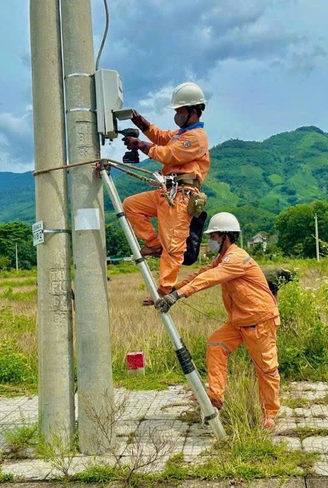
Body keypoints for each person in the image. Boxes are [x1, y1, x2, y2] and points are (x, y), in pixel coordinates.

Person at [154, 212, 281, 429]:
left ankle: (269, 414)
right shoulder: (222, 259)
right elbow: (200, 274)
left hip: (259, 320)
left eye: (213, 236)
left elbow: (209, 279)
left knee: (266, 369)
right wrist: (169, 291)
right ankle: (215, 395)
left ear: (225, 236)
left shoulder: (236, 259)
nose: (210, 240)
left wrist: (178, 296)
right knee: (216, 344)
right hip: (239, 321)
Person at [122, 82, 210, 306]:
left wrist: (141, 145)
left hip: (181, 196)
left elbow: (168, 154)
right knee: (131, 205)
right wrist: (140, 122)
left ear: (193, 110)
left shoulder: (196, 137)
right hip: (167, 191)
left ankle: (164, 290)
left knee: (174, 245)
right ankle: (153, 243)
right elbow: (161, 137)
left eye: (180, 111)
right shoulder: (181, 134)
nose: (177, 115)